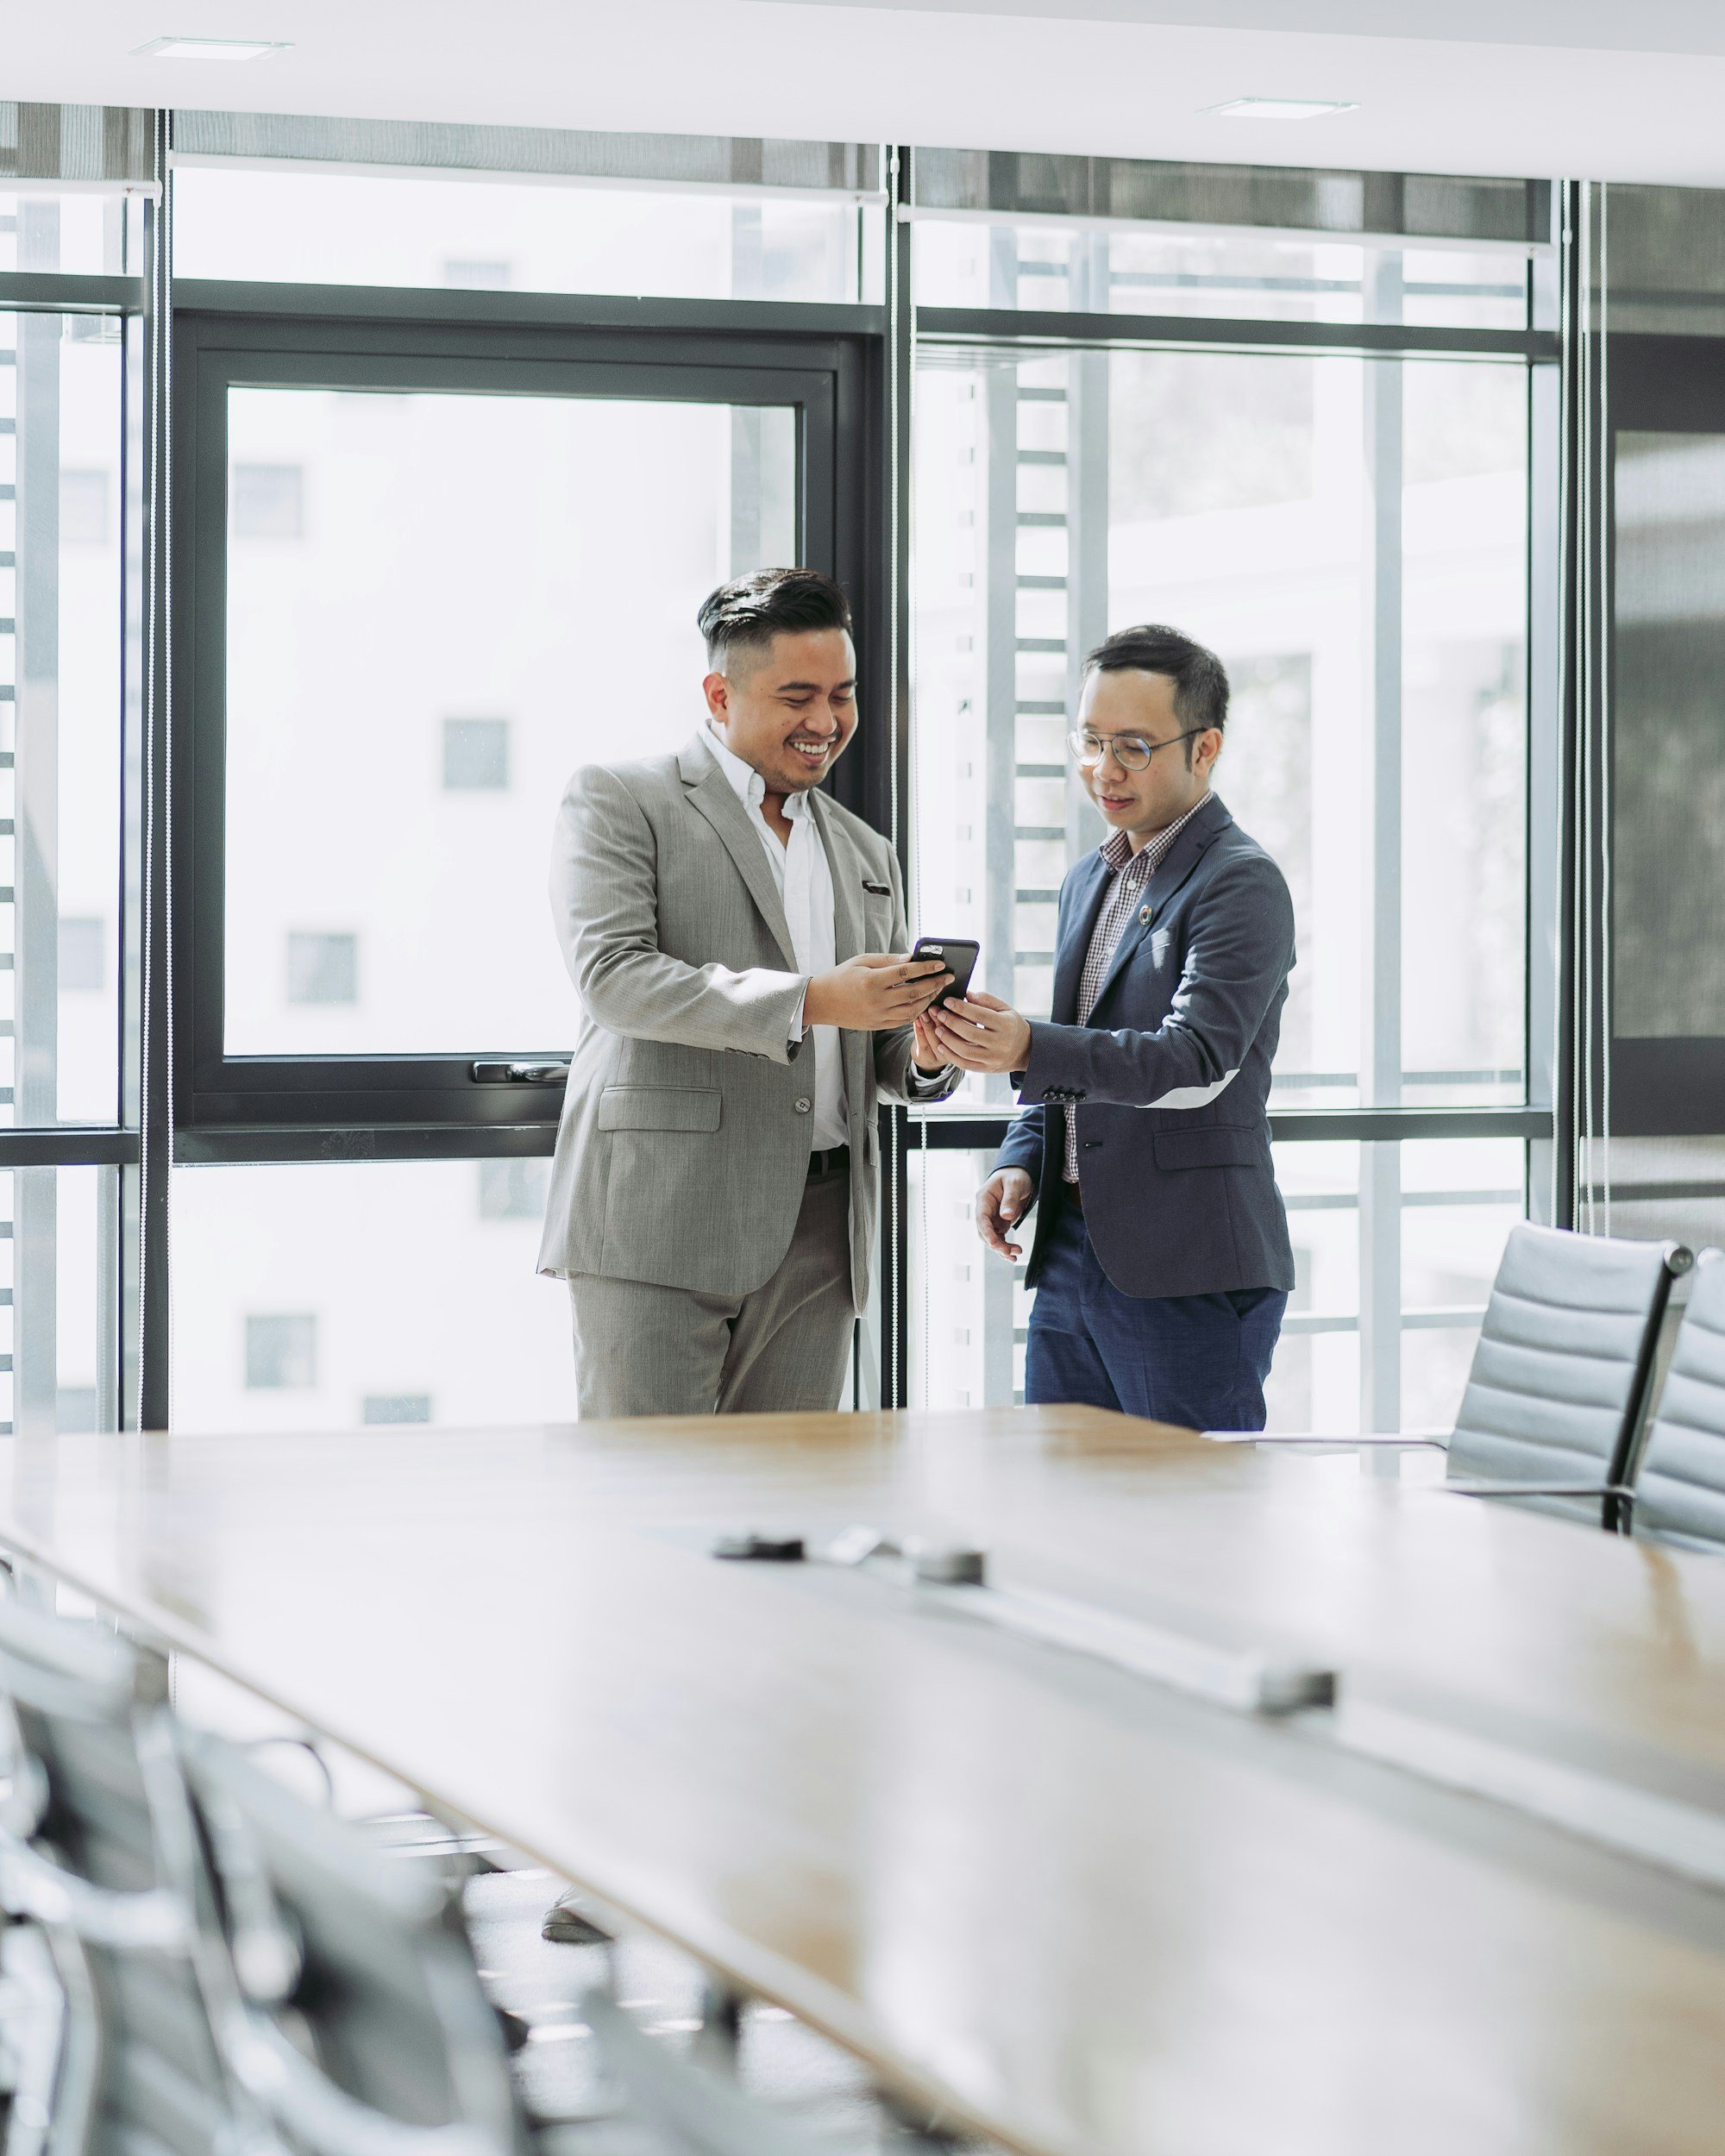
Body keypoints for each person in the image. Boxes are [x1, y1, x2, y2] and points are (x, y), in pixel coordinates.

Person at [536, 567, 958, 1419]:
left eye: (841, 695)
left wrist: (921, 1049)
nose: (826, 721)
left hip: (825, 1232)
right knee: (650, 1500)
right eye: (796, 695)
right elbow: (615, 979)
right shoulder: (622, 801)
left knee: (789, 1510)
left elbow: (867, 1044)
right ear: (718, 693)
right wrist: (809, 999)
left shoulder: (867, 851)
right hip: (660, 1216)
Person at [930, 624, 1295, 1432]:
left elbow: (1196, 1060)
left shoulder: (1241, 883)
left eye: (1132, 746)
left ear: (1206, 749)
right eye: (1090, 741)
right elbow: (1077, 1054)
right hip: (1070, 1256)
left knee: (1190, 1531)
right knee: (1070, 1520)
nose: (1103, 769)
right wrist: (1025, 1159)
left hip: (1187, 1267)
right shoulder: (1089, 879)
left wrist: (1025, 1045)